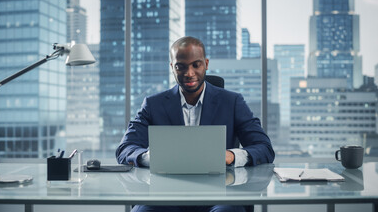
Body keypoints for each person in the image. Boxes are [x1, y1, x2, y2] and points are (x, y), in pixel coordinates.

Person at [116, 36, 275, 212]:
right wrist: (151, 157)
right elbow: (125, 149)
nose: (189, 73)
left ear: (206, 64)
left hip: (220, 193)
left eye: (196, 65)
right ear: (172, 67)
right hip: (166, 194)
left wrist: (231, 155)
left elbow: (264, 147)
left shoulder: (232, 102)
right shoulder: (153, 104)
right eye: (180, 66)